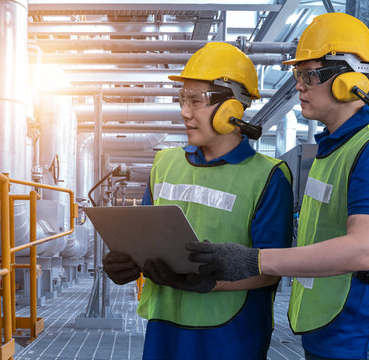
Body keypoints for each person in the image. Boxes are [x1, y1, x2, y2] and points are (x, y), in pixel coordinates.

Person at [187, 13, 369, 360]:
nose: (298, 85)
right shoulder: (333, 148)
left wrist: (255, 260)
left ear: (348, 79)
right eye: (296, 74)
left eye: (308, 75)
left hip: (360, 334)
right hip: (330, 325)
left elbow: (362, 250)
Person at [102, 42, 294, 360]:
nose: (184, 111)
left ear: (232, 107)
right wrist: (127, 262)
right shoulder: (164, 164)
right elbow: (147, 239)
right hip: (165, 327)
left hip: (230, 334)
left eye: (196, 100)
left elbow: (270, 270)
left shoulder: (268, 176)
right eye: (181, 99)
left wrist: (207, 282)